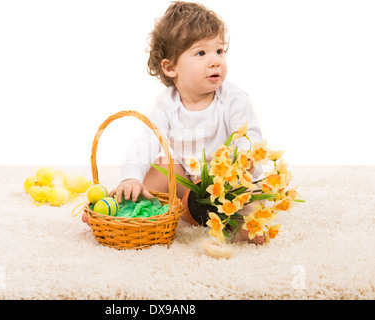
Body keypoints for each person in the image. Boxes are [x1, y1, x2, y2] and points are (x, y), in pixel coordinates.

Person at [86, 1, 266, 245]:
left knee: (254, 213)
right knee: (161, 166)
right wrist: (130, 177)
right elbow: (147, 141)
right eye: (201, 53)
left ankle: (235, 227)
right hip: (188, 183)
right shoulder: (167, 103)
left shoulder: (232, 98)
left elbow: (250, 138)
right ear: (170, 67)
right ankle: (120, 206)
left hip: (229, 187)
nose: (215, 61)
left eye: (219, 51)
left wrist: (240, 165)